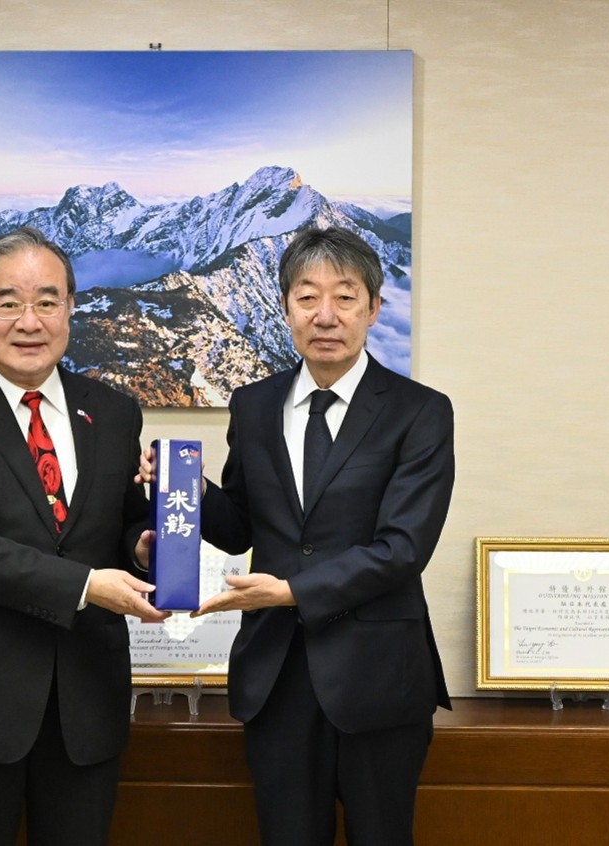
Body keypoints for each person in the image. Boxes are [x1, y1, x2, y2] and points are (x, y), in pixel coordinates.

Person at [142, 225, 453, 846]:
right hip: (278, 673)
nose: (326, 314)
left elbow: (403, 548)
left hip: (379, 676)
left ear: (373, 309)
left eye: (345, 296)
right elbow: (242, 530)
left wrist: (290, 591)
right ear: (284, 308)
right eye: (307, 297)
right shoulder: (254, 404)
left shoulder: (420, 411)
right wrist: (192, 492)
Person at [0, 226, 168, 846]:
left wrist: (141, 547)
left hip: (87, 697)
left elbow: (120, 518)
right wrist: (88, 585)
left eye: (47, 301)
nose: (30, 321)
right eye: (8, 302)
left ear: (70, 308)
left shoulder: (114, 410)